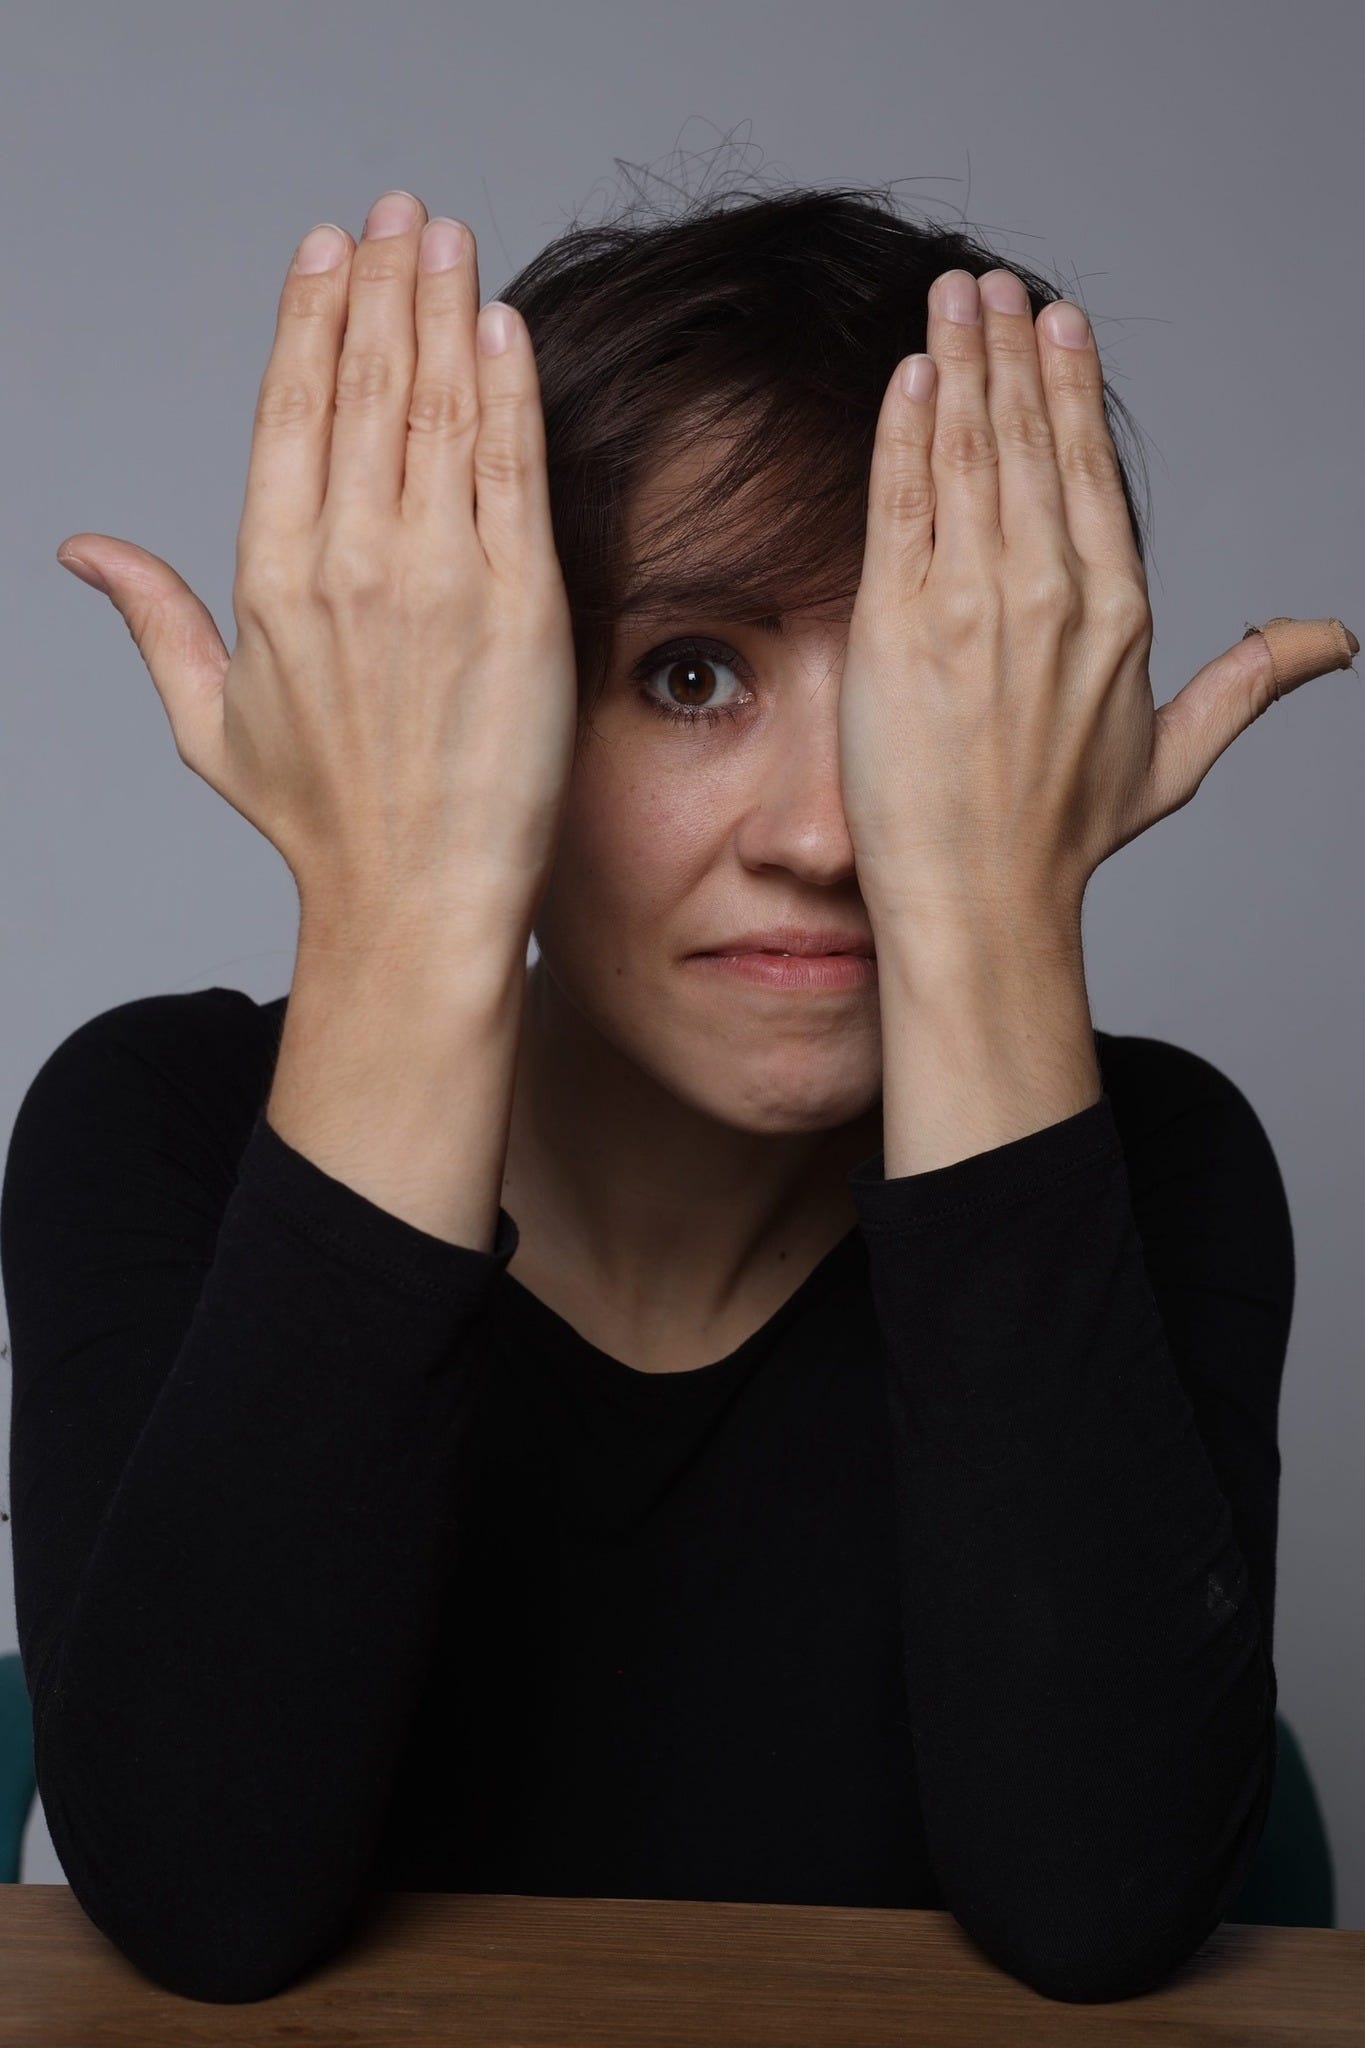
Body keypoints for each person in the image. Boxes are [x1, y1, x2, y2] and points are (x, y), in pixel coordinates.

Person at [4, 171, 1307, 2007]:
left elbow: (1097, 1909)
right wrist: (404, 890)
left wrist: (993, 920)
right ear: (496, 700)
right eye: (690, 674)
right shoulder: (162, 1123)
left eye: (937, 693)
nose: (827, 836)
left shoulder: (1154, 1162)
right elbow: (204, 1905)